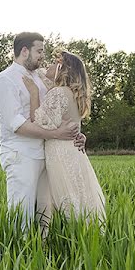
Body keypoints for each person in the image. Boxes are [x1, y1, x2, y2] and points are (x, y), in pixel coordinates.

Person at [0, 32, 86, 230]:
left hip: (47, 153)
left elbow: (60, 111)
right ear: (24, 51)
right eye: (39, 51)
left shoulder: (41, 76)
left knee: (45, 214)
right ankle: (19, 255)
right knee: (21, 213)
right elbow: (16, 124)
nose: (43, 56)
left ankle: (42, 253)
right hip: (21, 154)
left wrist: (76, 135)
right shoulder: (6, 79)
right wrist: (56, 134)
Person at [23, 50, 106, 230]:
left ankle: (52, 242)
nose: (48, 66)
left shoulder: (58, 93)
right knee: (78, 197)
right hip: (74, 153)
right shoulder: (73, 94)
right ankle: (80, 239)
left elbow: (38, 123)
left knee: (62, 201)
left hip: (60, 155)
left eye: (54, 63)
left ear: (63, 69)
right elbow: (41, 74)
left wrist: (34, 94)